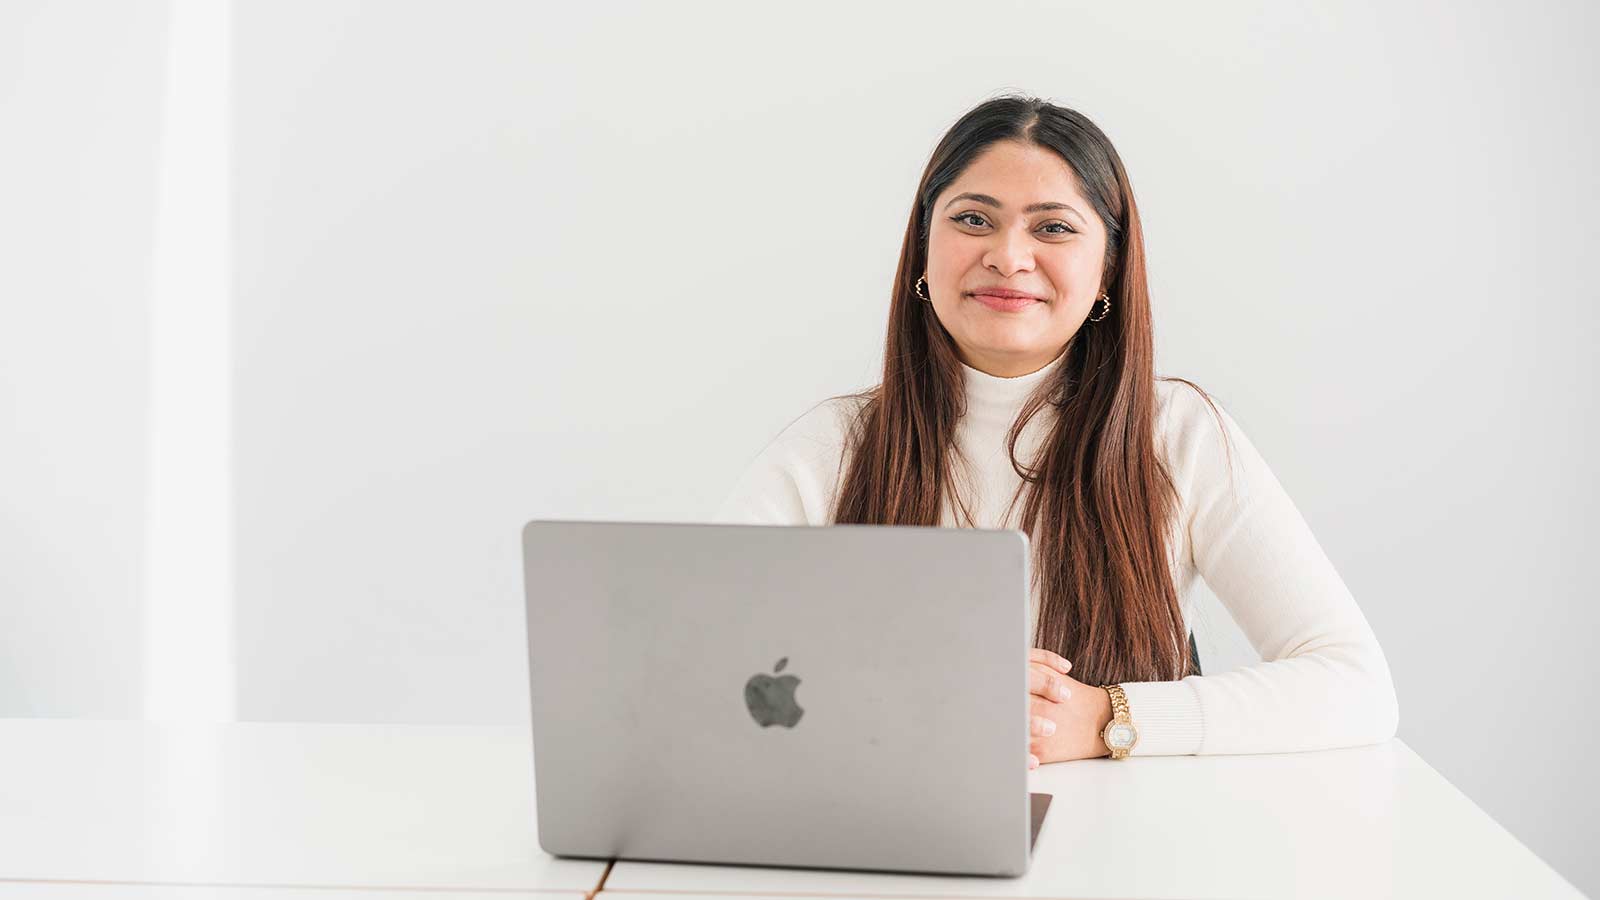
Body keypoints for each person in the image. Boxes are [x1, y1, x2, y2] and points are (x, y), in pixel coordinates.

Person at [712, 94, 1399, 768]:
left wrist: (1108, 718)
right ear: (924, 250)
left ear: (1108, 270)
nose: (1009, 257)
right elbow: (698, 664)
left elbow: (1356, 685)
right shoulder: (834, 445)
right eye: (974, 219)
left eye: (1054, 228)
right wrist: (908, 690)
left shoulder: (1178, 435)